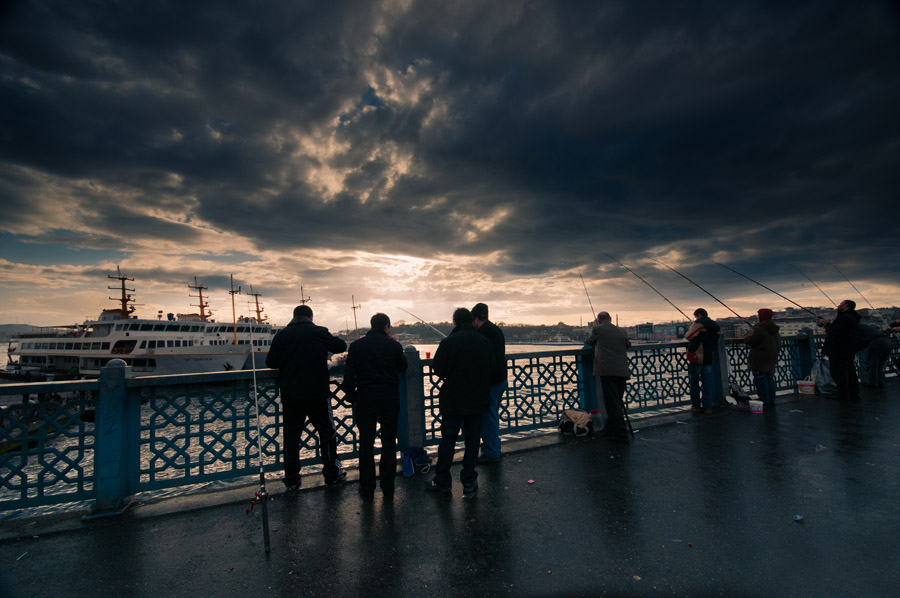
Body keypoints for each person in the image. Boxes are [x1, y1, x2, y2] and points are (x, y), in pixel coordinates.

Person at [266, 304, 348, 490]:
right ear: (311, 317)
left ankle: (292, 478)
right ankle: (331, 473)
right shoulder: (318, 332)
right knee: (326, 433)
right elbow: (340, 346)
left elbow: (270, 361)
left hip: (291, 395)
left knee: (292, 437)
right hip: (317, 393)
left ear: (293, 317)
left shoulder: (282, 335)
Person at [426, 308, 496, 497]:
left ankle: (443, 480)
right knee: (473, 441)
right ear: (473, 321)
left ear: (455, 322)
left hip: (454, 400)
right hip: (477, 399)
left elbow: (438, 369)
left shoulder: (448, 342)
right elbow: (492, 368)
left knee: (448, 441)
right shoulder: (485, 342)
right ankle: (469, 482)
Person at [342, 313, 408, 498]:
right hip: (389, 399)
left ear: (371, 326)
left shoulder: (356, 346)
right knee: (388, 442)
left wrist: (352, 396)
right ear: (386, 326)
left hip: (365, 399)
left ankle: (367, 487)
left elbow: (349, 377)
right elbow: (402, 366)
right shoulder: (393, 345)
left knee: (366, 443)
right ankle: (388, 486)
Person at [584, 311, 632, 443]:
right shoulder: (621, 330)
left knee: (612, 403)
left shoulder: (598, 329)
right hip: (622, 370)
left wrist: (595, 330)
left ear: (599, 320)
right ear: (610, 319)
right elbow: (628, 345)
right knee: (617, 400)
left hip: (607, 370)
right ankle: (612, 429)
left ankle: (621, 434)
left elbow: (589, 341)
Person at [471, 302, 507, 463]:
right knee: (493, 415)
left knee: (489, 416)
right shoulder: (496, 330)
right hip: (501, 378)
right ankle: (495, 446)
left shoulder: (483, 332)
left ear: (476, 318)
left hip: (491, 381)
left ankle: (492, 452)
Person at [818, 299, 861, 401]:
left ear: (846, 305)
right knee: (849, 371)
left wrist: (826, 324)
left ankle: (843, 395)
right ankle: (853, 393)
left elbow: (838, 331)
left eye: (841, 303)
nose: (839, 304)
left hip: (839, 350)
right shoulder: (851, 317)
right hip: (847, 349)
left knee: (839, 373)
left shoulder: (845, 318)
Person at [685, 308, 721, 414]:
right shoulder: (714, 325)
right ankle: (708, 407)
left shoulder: (698, 324)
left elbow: (688, 336)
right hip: (709, 357)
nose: (695, 318)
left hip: (698, 357)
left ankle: (696, 406)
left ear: (699, 315)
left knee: (694, 382)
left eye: (696, 316)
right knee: (707, 383)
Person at [743, 308, 781, 407]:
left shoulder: (759, 329)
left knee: (761, 382)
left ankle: (764, 402)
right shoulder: (774, 329)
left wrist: (747, 335)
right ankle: (771, 401)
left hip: (759, 359)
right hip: (771, 359)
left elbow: (751, 340)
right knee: (769, 380)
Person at [858, 321, 891, 388]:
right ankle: (880, 380)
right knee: (881, 363)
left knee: (873, 363)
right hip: (887, 342)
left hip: (876, 343)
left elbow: (863, 341)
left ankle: (873, 382)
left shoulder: (859, 328)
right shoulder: (870, 328)